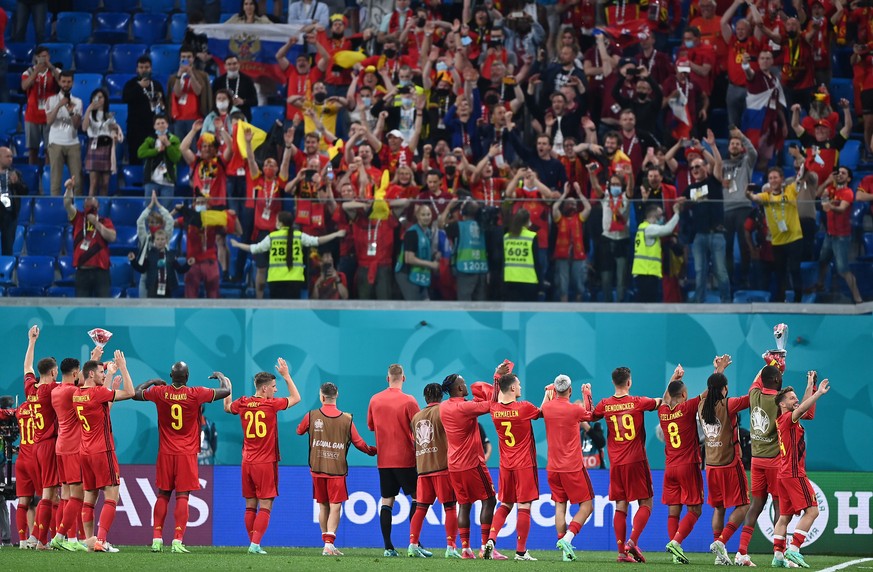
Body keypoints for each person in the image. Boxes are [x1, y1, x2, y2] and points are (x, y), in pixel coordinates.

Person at [132, 362, 230, 553]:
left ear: (170, 375)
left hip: (166, 453)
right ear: (187, 377)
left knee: (163, 494)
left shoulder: (160, 392)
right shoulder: (195, 393)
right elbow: (225, 391)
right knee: (183, 496)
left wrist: (152, 381)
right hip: (186, 453)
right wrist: (220, 376)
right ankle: (177, 540)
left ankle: (156, 539)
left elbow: (135, 393)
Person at [224, 358, 301, 554]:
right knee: (266, 503)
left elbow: (227, 407)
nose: (276, 390)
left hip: (247, 462)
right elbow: (296, 398)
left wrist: (228, 387)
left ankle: (253, 544)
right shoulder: (271, 405)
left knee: (250, 505)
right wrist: (286, 375)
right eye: (274, 387)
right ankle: (255, 544)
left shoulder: (242, 402)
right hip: (265, 462)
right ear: (265, 389)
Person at [296, 382, 376, 556]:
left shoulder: (311, 415)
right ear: (336, 395)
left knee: (323, 506)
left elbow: (299, 431)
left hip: (317, 468)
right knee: (335, 506)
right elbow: (359, 443)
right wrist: (373, 451)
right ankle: (329, 544)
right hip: (336, 470)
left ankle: (327, 544)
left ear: (321, 397)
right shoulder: (347, 419)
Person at [591, 366, 661, 563]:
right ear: (629, 382)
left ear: (614, 383)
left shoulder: (605, 404)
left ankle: (622, 552)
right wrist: (673, 378)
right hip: (636, 460)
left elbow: (591, 415)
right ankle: (632, 541)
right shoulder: (638, 402)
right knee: (646, 502)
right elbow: (662, 402)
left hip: (616, 463)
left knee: (620, 505)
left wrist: (587, 395)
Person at [439, 365, 507, 559]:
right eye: (464, 383)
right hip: (472, 463)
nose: (467, 385)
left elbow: (475, 404)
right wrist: (497, 377)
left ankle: (466, 549)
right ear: (459, 389)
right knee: (489, 500)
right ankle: (486, 547)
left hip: (454, 465)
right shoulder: (465, 407)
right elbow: (492, 404)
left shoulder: (444, 407)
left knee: (464, 504)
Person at [73, 351, 136, 552]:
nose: (104, 374)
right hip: (103, 450)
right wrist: (123, 366)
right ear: (91, 374)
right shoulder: (98, 393)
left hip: (85, 452)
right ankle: (101, 540)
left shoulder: (78, 394)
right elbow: (130, 392)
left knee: (90, 498)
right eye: (101, 372)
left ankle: (90, 541)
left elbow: (102, 407)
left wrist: (109, 376)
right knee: (112, 495)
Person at [482, 371, 544, 561]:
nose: (521, 387)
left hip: (506, 465)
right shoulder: (524, 407)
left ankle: (491, 540)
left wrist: (496, 377)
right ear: (512, 388)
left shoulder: (494, 409)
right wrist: (548, 396)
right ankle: (521, 551)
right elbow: (542, 413)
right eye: (518, 384)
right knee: (524, 505)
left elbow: (494, 397)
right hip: (524, 464)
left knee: (506, 504)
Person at [771, 374, 831, 568]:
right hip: (795, 474)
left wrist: (809, 385)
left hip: (783, 474)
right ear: (782, 404)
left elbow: (804, 406)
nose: (795, 400)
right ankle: (794, 549)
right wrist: (819, 393)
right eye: (791, 398)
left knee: (784, 517)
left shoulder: (783, 419)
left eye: (796, 397)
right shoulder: (789, 418)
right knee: (812, 511)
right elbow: (803, 407)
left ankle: (778, 556)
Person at [699, 355, 751, 566]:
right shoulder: (729, 404)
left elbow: (710, 389)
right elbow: (753, 396)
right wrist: (768, 370)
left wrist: (718, 370)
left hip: (710, 465)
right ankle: (722, 541)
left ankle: (720, 555)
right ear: (725, 388)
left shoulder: (702, 404)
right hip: (730, 463)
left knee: (719, 508)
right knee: (744, 505)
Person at [736, 360, 787, 566]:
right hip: (775, 461)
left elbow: (758, 380)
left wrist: (773, 363)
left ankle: (741, 553)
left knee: (755, 506)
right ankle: (778, 554)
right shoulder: (781, 402)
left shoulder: (754, 395)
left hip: (757, 461)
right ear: (776, 380)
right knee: (779, 507)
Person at [366, 364, 420, 557]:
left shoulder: (375, 399)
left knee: (387, 502)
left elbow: (371, 426)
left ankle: (388, 547)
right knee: (418, 498)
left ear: (387, 378)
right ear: (403, 378)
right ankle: (415, 543)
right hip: (406, 458)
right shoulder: (409, 401)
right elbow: (419, 428)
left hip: (384, 459)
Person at [48, 351, 99, 552]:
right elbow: (90, 386)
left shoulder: (56, 391)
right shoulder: (72, 392)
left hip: (60, 446)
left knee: (67, 496)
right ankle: (60, 537)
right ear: (76, 372)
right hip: (73, 448)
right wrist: (94, 360)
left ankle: (69, 539)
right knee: (77, 496)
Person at [230, 211, 345, 299]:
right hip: (295, 281)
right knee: (292, 314)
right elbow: (318, 240)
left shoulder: (272, 237)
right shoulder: (299, 236)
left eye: (276, 220)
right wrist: (335, 234)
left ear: (280, 223)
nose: (275, 222)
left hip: (275, 280)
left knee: (277, 313)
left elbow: (254, 249)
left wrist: (238, 244)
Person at [541, 374, 595, 562]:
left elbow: (542, 408)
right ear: (570, 390)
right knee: (587, 506)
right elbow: (593, 415)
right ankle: (568, 538)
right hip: (572, 466)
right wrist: (587, 394)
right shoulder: (575, 410)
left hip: (553, 467)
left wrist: (548, 393)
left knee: (560, 506)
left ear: (554, 390)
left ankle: (565, 553)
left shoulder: (547, 408)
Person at [408, 383, 461, 558]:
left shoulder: (416, 417)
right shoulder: (444, 411)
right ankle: (451, 547)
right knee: (450, 508)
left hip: (423, 468)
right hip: (442, 467)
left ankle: (413, 545)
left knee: (420, 508)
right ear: (442, 396)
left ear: (425, 398)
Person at [659, 365, 705, 565]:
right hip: (688, 465)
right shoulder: (687, 408)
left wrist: (673, 378)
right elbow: (709, 391)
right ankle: (676, 542)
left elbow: (665, 398)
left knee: (673, 510)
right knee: (695, 510)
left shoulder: (662, 412)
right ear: (685, 394)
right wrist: (719, 371)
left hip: (670, 468)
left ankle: (674, 551)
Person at [23, 325, 60, 549]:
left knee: (48, 494)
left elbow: (27, 365)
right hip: (48, 445)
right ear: (54, 372)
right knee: (49, 494)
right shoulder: (51, 390)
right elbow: (75, 382)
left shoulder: (31, 388)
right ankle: (38, 540)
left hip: (36, 445)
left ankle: (37, 538)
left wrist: (32, 341)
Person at [683, 132, 730, 303]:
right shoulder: (689, 190)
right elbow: (682, 206)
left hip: (716, 234)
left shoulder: (714, 182)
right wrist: (680, 203)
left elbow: (717, 163)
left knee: (720, 271)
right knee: (699, 271)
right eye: (693, 168)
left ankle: (726, 302)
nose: (695, 169)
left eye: (698, 166)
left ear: (705, 168)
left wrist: (709, 147)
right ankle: (699, 303)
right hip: (699, 236)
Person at [745, 169, 803, 303]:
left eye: (775, 177)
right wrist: (748, 194)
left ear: (782, 179)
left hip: (794, 238)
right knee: (780, 273)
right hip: (777, 241)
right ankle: (781, 300)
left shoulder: (790, 190)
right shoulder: (766, 196)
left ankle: (798, 300)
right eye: (770, 178)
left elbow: (800, 179)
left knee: (794, 269)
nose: (773, 180)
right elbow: (754, 198)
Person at [816, 166, 863, 303]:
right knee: (823, 260)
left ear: (848, 178)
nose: (840, 175)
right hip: (829, 234)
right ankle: (819, 285)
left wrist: (830, 207)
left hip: (841, 237)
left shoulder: (848, 192)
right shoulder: (831, 189)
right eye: (838, 172)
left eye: (844, 173)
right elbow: (818, 195)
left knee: (843, 269)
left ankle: (857, 298)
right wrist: (826, 182)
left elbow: (841, 209)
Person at [63, 180, 117, 298]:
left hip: (101, 271)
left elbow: (112, 237)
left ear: (98, 206)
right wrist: (69, 189)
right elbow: (67, 204)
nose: (90, 208)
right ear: (83, 206)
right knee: (82, 307)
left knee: (103, 307)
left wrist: (96, 223)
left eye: (92, 206)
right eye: (87, 206)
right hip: (82, 271)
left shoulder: (105, 221)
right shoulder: (78, 218)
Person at [632, 202, 683, 302]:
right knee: (648, 304)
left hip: (644, 272)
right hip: (647, 273)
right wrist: (677, 213)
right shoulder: (649, 228)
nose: (662, 219)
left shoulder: (642, 228)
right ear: (652, 216)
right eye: (660, 216)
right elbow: (667, 229)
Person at [123, 56, 167, 167]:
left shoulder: (156, 85)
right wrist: (139, 86)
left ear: (151, 69)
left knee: (154, 157)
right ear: (137, 69)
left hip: (152, 128)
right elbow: (125, 98)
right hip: (135, 129)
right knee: (135, 157)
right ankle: (135, 183)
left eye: (146, 67)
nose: (144, 70)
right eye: (141, 67)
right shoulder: (131, 84)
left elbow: (163, 105)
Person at [20, 46, 59, 166]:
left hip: (49, 115)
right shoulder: (29, 72)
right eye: (41, 56)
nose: (44, 58)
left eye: (46, 56)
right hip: (32, 116)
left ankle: (48, 175)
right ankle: (33, 174)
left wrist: (50, 66)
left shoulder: (54, 70)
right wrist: (37, 71)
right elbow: (24, 86)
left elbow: (62, 83)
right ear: (36, 58)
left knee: (49, 150)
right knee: (33, 150)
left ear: (49, 57)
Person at [46, 71, 83, 196]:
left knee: (77, 181)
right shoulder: (51, 100)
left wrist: (71, 112)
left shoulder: (78, 102)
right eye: (63, 81)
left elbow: (77, 125)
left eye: (68, 82)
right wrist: (59, 106)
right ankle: (55, 209)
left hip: (73, 142)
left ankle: (77, 211)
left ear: (72, 82)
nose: (66, 84)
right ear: (59, 82)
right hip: (55, 142)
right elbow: (49, 122)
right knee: (56, 181)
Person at [82, 88, 123, 197]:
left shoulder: (109, 115)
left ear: (105, 99)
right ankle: (90, 210)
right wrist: (88, 109)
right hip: (94, 146)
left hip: (107, 147)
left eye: (101, 97)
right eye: (96, 97)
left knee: (105, 183)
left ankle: (102, 210)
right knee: (94, 183)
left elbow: (113, 132)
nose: (99, 100)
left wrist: (115, 131)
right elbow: (84, 128)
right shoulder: (90, 114)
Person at [396, 205, 440, 301]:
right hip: (406, 274)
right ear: (418, 216)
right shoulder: (412, 233)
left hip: (420, 274)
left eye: (428, 214)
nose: (426, 217)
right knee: (414, 305)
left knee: (426, 303)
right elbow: (409, 259)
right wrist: (431, 265)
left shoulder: (428, 232)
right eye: (423, 215)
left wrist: (435, 256)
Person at [168, 46, 212, 139]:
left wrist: (191, 74)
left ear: (193, 58)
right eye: (183, 57)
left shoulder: (201, 75)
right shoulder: (173, 77)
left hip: (195, 117)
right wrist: (179, 75)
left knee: (194, 148)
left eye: (189, 57)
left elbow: (198, 91)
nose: (186, 59)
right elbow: (177, 93)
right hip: (178, 117)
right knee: (179, 147)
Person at [139, 115, 182, 207]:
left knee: (165, 212)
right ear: (154, 126)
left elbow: (176, 158)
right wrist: (156, 151)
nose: (161, 125)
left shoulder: (174, 140)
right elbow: (140, 153)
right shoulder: (150, 140)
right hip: (151, 180)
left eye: (163, 123)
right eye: (158, 123)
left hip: (168, 181)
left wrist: (167, 144)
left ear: (167, 125)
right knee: (149, 210)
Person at [502, 208, 538, 301]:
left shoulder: (506, 237)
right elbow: (537, 261)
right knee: (528, 314)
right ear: (527, 221)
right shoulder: (532, 236)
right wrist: (540, 283)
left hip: (510, 279)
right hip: (528, 280)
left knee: (511, 313)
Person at [0, 146, 28, 256]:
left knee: (8, 249)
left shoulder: (15, 173)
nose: (10, 159)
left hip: (9, 215)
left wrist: (16, 183)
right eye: (7, 156)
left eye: (11, 156)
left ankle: (6, 272)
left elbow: (25, 191)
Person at [212, 55, 258, 120]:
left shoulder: (247, 80)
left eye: (234, 63)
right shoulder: (218, 81)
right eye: (229, 64)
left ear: (239, 65)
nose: (232, 66)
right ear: (225, 66)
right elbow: (213, 99)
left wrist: (243, 101)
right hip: (223, 116)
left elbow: (255, 101)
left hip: (243, 115)